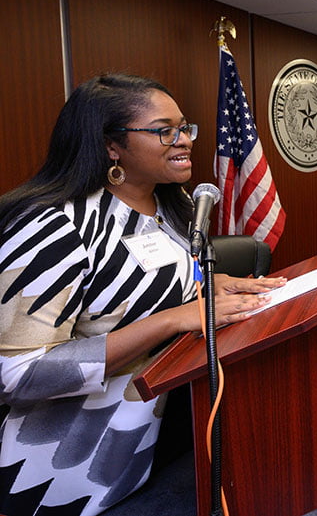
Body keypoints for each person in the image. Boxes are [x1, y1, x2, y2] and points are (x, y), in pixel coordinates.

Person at [0, 74, 284, 516]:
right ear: (112, 146)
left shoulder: (173, 206)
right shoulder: (54, 225)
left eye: (184, 128)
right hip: (72, 468)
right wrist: (174, 318)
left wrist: (211, 285)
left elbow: (144, 288)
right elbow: (16, 372)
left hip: (167, 439)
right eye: (163, 130)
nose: (183, 140)